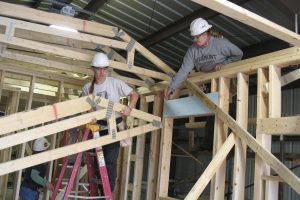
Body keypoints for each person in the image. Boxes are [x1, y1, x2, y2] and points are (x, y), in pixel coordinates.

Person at [164, 18, 243, 150]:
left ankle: (233, 146)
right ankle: (210, 145)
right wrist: (172, 87)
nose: (195, 40)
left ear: (206, 33)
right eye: (193, 37)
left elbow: (238, 54)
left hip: (226, 83)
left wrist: (225, 65)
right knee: (211, 113)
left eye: (197, 37)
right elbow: (184, 70)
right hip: (209, 84)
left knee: (230, 111)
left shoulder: (221, 44)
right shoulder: (193, 51)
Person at [81, 52, 138, 191]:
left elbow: (134, 94)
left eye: (104, 69)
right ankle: (99, 190)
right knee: (97, 162)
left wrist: (129, 107)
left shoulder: (115, 83)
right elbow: (84, 107)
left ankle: (108, 192)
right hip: (97, 128)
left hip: (114, 126)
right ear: (93, 69)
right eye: (99, 69)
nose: (102, 72)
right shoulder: (87, 88)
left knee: (110, 161)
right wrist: (89, 115)